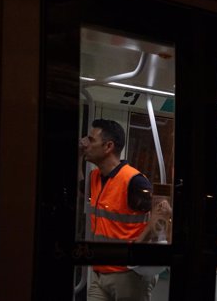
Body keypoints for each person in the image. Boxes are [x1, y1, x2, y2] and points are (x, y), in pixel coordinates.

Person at [80, 119, 157, 301]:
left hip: (128, 276)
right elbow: (77, 186)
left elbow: (159, 219)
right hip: (100, 273)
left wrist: (133, 254)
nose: (85, 143)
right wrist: (78, 154)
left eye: (91, 140)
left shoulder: (134, 181)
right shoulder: (95, 177)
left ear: (108, 146)